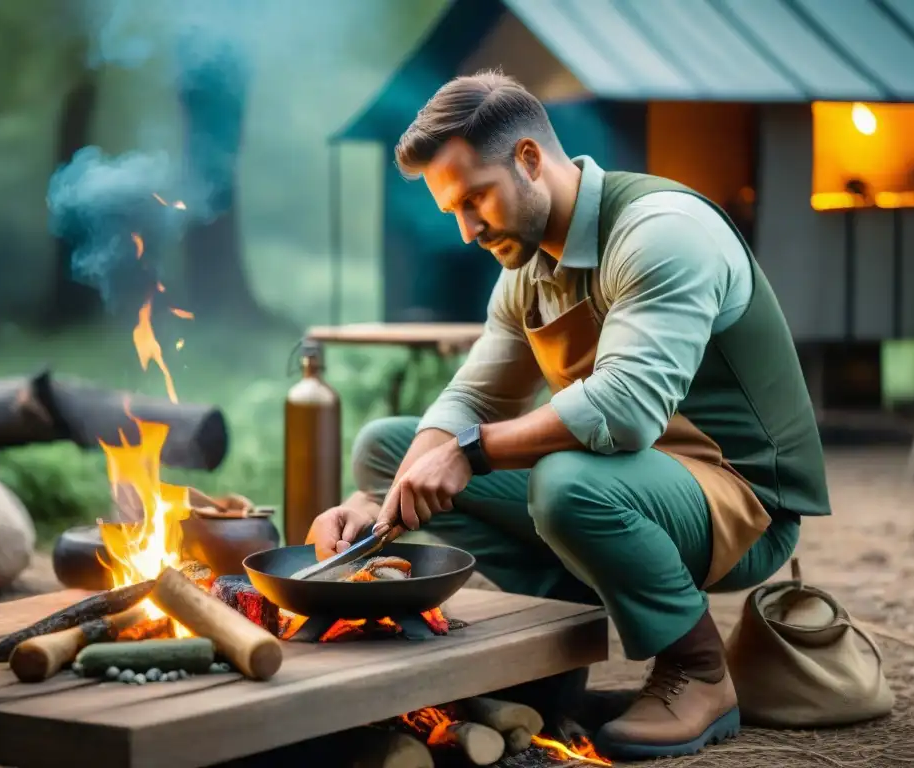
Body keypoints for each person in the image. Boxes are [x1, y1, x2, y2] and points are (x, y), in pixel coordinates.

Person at [306, 71, 831, 760]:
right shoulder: (528, 266)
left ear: (529, 159)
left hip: (738, 498)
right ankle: (559, 659)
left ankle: (698, 672)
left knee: (565, 485)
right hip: (629, 480)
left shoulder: (661, 233)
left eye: (475, 199)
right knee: (386, 447)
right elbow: (470, 401)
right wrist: (381, 503)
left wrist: (469, 451)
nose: (466, 230)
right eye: (451, 211)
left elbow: (624, 411)